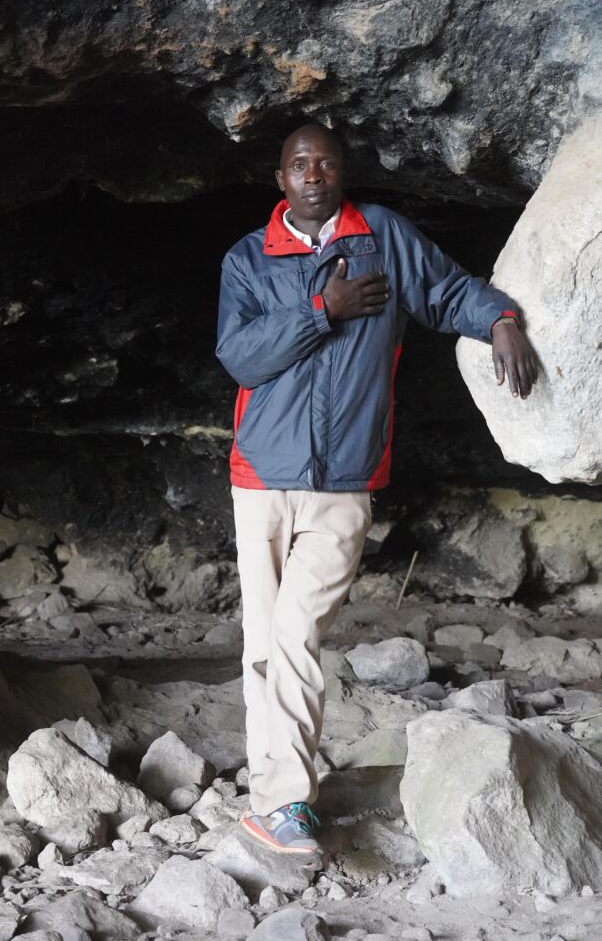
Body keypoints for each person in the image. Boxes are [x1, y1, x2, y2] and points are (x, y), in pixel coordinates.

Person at [215, 124, 537, 860]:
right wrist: (321, 310)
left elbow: (446, 292)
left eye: (325, 163)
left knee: (295, 634)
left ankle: (283, 802)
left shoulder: (382, 237)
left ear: (342, 173)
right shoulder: (247, 258)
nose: (313, 174)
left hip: (345, 482)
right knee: (263, 643)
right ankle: (274, 799)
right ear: (280, 179)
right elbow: (241, 358)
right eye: (299, 164)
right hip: (261, 476)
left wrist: (500, 320)